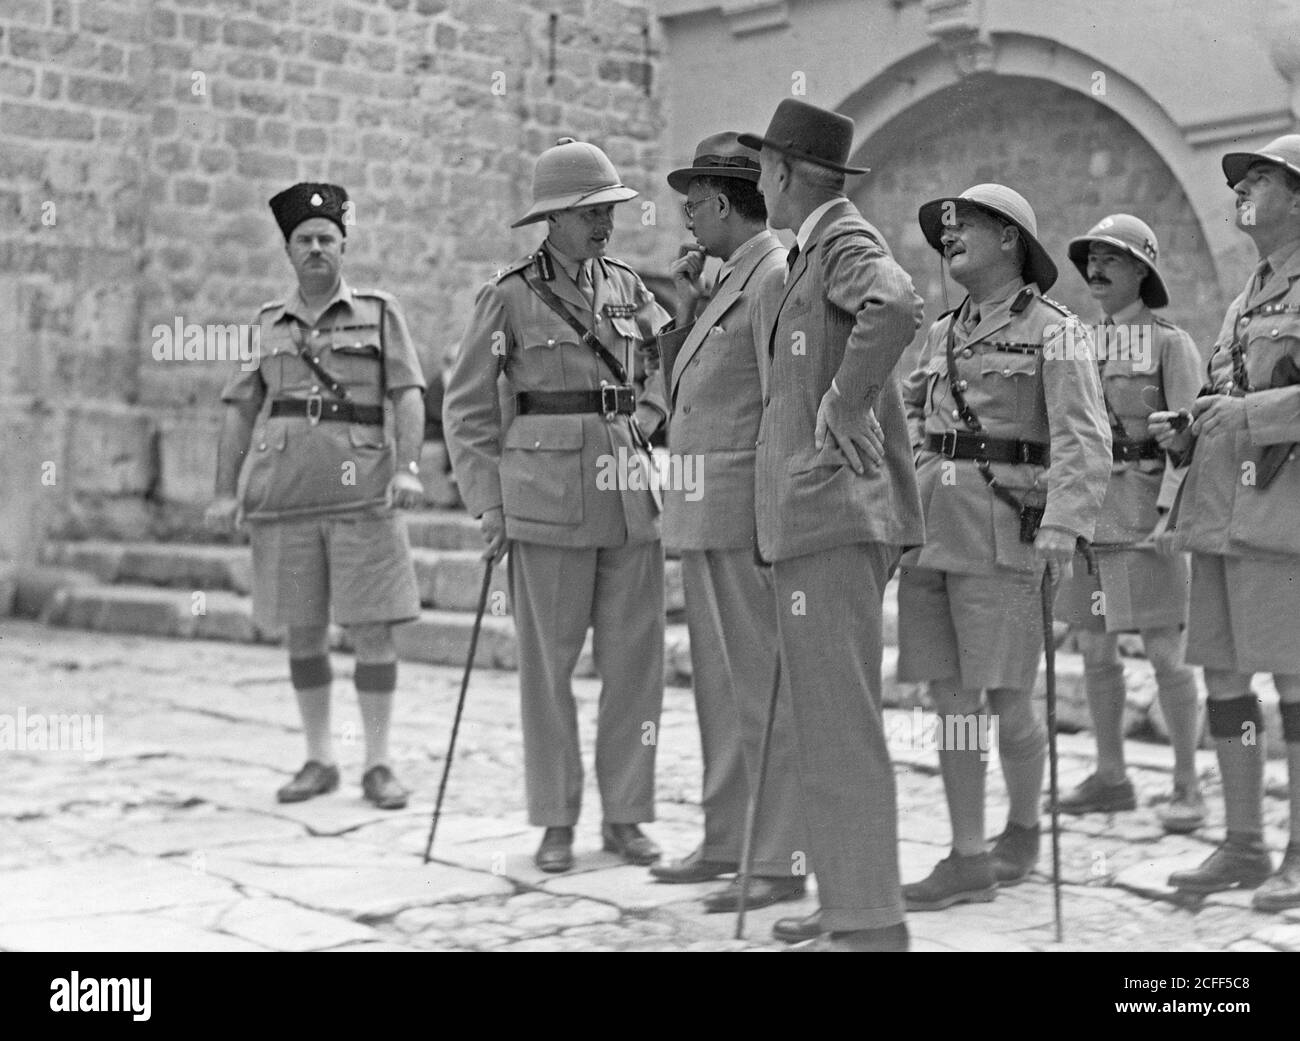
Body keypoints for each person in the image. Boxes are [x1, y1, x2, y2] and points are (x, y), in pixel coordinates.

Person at [442, 139, 670, 873]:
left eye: (608, 208)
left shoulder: (631, 287)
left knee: (637, 665)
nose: (605, 221)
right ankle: (556, 819)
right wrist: (487, 505)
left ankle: (627, 815)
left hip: (630, 496)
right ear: (554, 219)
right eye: (589, 211)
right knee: (549, 668)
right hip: (544, 502)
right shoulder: (508, 295)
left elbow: (669, 363)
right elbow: (469, 408)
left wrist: (653, 420)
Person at [739, 99, 926, 951]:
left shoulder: (844, 242)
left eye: (761, 173)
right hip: (810, 516)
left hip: (834, 513)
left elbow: (896, 301)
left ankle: (871, 919)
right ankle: (844, 894)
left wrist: (845, 399)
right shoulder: (811, 251)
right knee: (822, 717)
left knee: (841, 717)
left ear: (780, 173)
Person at [898, 184, 1111, 910]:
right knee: (949, 696)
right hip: (931, 530)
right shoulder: (939, 333)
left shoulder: (1058, 331)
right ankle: (966, 855)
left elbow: (1085, 436)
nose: (949, 236)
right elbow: (911, 421)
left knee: (1010, 698)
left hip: (1004, 530)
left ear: (1010, 238)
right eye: (945, 229)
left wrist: (1064, 523)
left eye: (965, 226)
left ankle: (1022, 827)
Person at [206, 182, 427, 810]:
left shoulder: (380, 314)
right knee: (302, 632)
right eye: (305, 241)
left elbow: (408, 393)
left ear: (343, 247)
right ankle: (318, 758)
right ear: (288, 250)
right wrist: (225, 492)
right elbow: (237, 409)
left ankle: (379, 764)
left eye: (327, 239)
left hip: (363, 501)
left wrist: (408, 469)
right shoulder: (265, 325)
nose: (316, 249)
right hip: (285, 498)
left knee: (373, 630)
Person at [649, 132, 807, 913]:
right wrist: (687, 308)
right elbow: (698, 387)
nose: (684, 213)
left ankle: (776, 858)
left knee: (761, 688)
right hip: (705, 511)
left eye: (693, 200)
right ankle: (726, 839)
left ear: (720, 202)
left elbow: (784, 400)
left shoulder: (773, 275)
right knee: (720, 689)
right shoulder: (725, 283)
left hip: (744, 511)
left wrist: (776, 514)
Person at [1154, 134, 1300, 911]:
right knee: (1223, 672)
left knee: (1294, 677)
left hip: (1285, 519)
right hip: (1220, 513)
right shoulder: (1248, 299)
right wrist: (1191, 425)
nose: (1242, 187)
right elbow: (1224, 394)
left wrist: (1241, 413)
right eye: (1240, 179)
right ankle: (1243, 840)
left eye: (1261, 178)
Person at [1054, 214, 1205, 832]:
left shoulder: (1171, 344)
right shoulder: (1077, 342)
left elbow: (1192, 441)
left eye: (1110, 259)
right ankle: (1111, 777)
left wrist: (1171, 516)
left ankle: (1188, 785)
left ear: (1142, 269)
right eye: (1090, 259)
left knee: (1168, 654)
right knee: (1094, 649)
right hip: (1091, 517)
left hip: (1147, 518)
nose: (1095, 270)